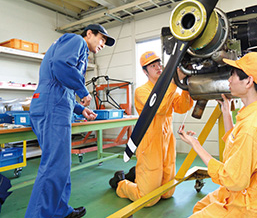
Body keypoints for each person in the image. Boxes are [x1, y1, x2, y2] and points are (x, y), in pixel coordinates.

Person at [25, 24, 116, 218]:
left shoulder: (76, 51)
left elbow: (61, 86)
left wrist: (81, 109)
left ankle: (59, 211)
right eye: (101, 38)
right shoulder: (77, 41)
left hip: (53, 106)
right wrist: (83, 91)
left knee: (61, 164)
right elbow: (60, 65)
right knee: (54, 165)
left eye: (105, 42)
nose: (102, 44)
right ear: (89, 33)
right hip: (52, 109)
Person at [178, 52, 257, 217]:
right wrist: (226, 112)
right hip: (235, 194)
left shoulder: (251, 128)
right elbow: (236, 144)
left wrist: (196, 145)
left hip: (242, 205)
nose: (229, 80)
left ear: (249, 81)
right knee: (199, 207)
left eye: (233, 76)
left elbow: (233, 180)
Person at [110, 51, 194, 206]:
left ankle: (139, 175)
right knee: (148, 200)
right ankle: (121, 184)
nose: (158, 68)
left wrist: (186, 86)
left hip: (167, 142)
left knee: (168, 193)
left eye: (159, 64)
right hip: (150, 144)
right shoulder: (142, 91)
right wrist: (175, 82)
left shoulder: (169, 88)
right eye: (153, 66)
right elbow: (159, 107)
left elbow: (182, 107)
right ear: (145, 71)